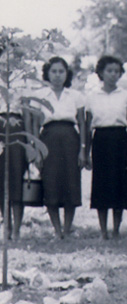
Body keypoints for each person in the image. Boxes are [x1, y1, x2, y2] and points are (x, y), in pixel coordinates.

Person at [33, 57, 86, 239]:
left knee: (71, 182)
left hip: (70, 139)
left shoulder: (76, 96)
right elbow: (34, 125)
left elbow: (82, 123)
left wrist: (82, 149)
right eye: (53, 71)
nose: (57, 75)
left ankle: (67, 228)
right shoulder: (40, 96)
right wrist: (37, 150)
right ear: (47, 73)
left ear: (66, 73)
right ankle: (57, 230)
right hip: (48, 139)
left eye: (61, 71)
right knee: (51, 183)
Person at [84, 56, 127, 239]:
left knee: (120, 184)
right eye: (109, 71)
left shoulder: (126, 95)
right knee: (101, 185)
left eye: (116, 71)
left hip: (121, 138)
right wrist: (86, 151)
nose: (113, 75)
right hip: (101, 140)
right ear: (101, 73)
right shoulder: (91, 96)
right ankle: (103, 230)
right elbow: (88, 126)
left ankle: (116, 229)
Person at [1, 88, 29, 240]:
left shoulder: (22, 80)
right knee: (1, 183)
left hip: (16, 127)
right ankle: (7, 227)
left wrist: (30, 141)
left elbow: (27, 114)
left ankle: (17, 229)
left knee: (17, 179)